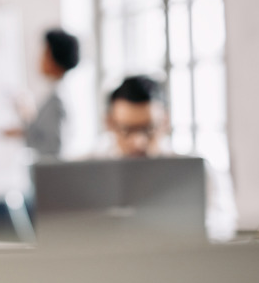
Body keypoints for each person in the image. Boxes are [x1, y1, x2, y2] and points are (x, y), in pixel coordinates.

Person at [99, 75, 237, 241]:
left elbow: (222, 227)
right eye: (126, 129)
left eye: (148, 128)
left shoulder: (199, 170)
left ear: (165, 121)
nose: (138, 142)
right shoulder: (84, 172)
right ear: (109, 123)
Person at [13, 29, 80, 159]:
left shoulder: (57, 99)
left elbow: (53, 147)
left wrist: (26, 131)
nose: (39, 58)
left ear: (54, 57)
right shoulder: (57, 93)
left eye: (44, 53)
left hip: (51, 173)